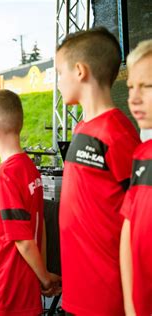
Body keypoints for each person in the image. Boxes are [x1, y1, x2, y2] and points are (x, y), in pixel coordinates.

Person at [56, 27, 141, 316]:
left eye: (59, 72)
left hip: (107, 296)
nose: (58, 83)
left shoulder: (117, 133)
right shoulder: (82, 128)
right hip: (78, 289)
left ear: (80, 71)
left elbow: (140, 223)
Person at [0, 90, 61, 315]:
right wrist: (43, 272)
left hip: (4, 286)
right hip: (19, 282)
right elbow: (38, 228)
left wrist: (45, 278)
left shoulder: (7, 175)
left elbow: (24, 240)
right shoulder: (29, 169)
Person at [120, 39, 152, 316]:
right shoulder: (142, 154)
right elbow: (129, 232)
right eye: (131, 87)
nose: (134, 98)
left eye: (147, 86)